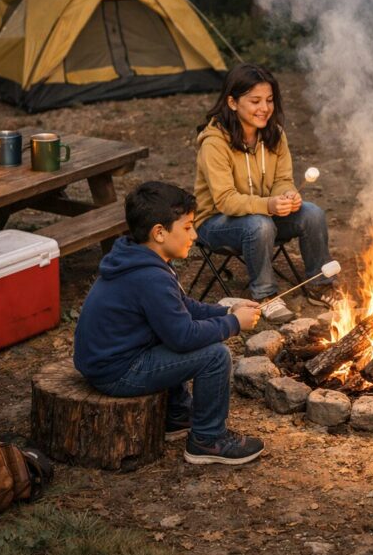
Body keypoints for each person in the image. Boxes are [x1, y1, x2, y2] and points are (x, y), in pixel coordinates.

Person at [74, 181, 265, 466]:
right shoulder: (150, 276)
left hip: (110, 360)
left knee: (168, 332)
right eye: (187, 227)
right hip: (116, 371)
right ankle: (208, 439)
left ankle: (177, 417)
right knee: (214, 356)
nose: (195, 234)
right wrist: (234, 324)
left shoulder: (140, 257)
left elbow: (181, 307)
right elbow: (183, 337)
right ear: (160, 232)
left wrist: (226, 312)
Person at [194, 63, 336, 324]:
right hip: (215, 224)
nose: (265, 108)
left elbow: (282, 180)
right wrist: (269, 205)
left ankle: (320, 284)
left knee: (312, 213)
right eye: (255, 101)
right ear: (233, 102)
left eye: (269, 100)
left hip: (262, 217)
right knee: (258, 224)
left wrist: (288, 195)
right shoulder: (214, 143)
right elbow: (225, 200)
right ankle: (265, 296)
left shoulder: (275, 135)